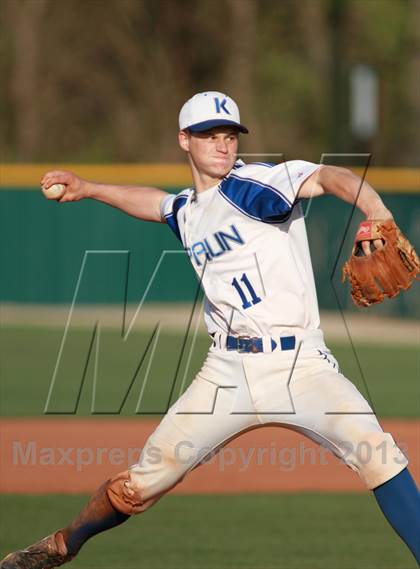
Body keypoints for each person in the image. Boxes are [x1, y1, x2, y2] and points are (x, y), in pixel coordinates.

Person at [2, 91, 419, 568]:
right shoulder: (189, 212)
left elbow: (329, 176)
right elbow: (157, 204)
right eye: (209, 135)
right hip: (226, 372)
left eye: (229, 136)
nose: (223, 145)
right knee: (141, 484)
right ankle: (62, 544)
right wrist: (88, 187)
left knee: (379, 456)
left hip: (301, 367)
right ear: (184, 140)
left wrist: (377, 210)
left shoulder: (258, 185)